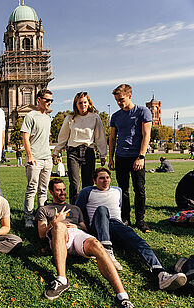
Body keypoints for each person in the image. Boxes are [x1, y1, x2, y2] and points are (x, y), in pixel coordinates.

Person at [36, 178, 136, 308]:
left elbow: (84, 227)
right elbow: (41, 234)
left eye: (64, 190)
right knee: (59, 226)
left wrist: (76, 226)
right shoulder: (44, 209)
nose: (62, 193)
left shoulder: (75, 208)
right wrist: (55, 222)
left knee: (96, 245)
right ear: (51, 192)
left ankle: (123, 297)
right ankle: (62, 280)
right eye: (58, 190)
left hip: (77, 234)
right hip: (59, 235)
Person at [76, 167, 187, 291]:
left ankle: (160, 273)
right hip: (98, 226)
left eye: (107, 177)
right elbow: (77, 210)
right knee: (102, 209)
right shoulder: (87, 191)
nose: (105, 180)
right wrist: (81, 225)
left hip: (117, 225)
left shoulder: (117, 191)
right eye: (101, 178)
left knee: (140, 242)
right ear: (94, 180)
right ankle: (107, 251)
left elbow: (119, 209)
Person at [109, 84, 152, 232]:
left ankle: (140, 220)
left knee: (139, 189)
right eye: (116, 100)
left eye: (121, 99)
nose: (119, 103)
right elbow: (112, 138)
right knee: (123, 190)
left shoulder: (143, 112)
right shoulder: (115, 116)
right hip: (121, 156)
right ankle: (125, 218)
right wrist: (111, 158)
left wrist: (141, 156)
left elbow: (146, 135)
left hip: (136, 156)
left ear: (130, 96)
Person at [53, 92, 107, 204]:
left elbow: (100, 137)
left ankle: (88, 209)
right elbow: (63, 136)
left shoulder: (95, 117)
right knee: (74, 183)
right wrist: (56, 151)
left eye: (85, 102)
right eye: (80, 103)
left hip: (88, 151)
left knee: (88, 183)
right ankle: (74, 209)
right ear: (76, 104)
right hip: (73, 152)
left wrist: (103, 155)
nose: (83, 105)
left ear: (89, 103)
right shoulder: (70, 117)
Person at [20, 89, 53, 227]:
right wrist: (30, 156)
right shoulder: (30, 116)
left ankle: (41, 216)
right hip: (35, 159)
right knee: (32, 189)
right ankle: (28, 218)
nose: (49, 103)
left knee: (43, 190)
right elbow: (25, 137)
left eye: (51, 100)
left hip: (47, 159)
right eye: (47, 100)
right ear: (38, 99)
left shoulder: (48, 117)